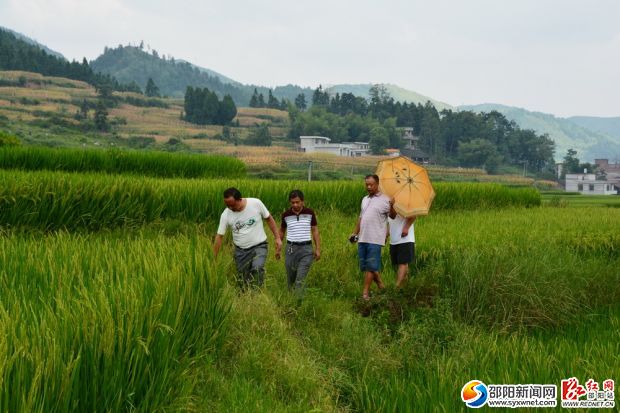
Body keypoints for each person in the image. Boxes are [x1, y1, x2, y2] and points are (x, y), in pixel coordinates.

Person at [213, 187, 282, 288]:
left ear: (239, 199)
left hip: (259, 246)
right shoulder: (226, 214)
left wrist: (277, 238)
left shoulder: (255, 203)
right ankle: (246, 295)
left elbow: (269, 218)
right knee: (243, 279)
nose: (230, 208)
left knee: (257, 268)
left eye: (232, 205)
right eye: (227, 205)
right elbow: (219, 236)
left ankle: (258, 293)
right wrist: (214, 257)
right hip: (240, 251)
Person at [350, 174, 392, 300]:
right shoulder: (365, 199)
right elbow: (361, 218)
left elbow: (392, 218)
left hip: (376, 238)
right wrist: (354, 233)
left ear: (377, 184)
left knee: (370, 266)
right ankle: (380, 284)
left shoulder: (386, 200)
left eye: (371, 184)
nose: (368, 187)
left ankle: (365, 292)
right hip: (363, 237)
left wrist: (386, 234)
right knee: (366, 265)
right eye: (366, 184)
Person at [276, 189, 321, 297]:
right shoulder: (286, 215)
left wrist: (318, 249)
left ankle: (299, 302)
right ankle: (291, 301)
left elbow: (315, 230)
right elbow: (282, 231)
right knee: (291, 278)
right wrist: (278, 249)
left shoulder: (309, 213)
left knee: (300, 279)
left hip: (306, 249)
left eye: (297, 202)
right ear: (289, 202)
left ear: (302, 201)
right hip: (291, 249)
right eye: (292, 202)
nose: (295, 205)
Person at [388, 210, 416, 288]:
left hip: (405, 238)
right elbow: (390, 222)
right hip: (394, 239)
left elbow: (413, 215)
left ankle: (397, 287)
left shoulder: (405, 201)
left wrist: (406, 228)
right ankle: (404, 286)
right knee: (400, 264)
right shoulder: (390, 202)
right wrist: (386, 235)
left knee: (402, 263)